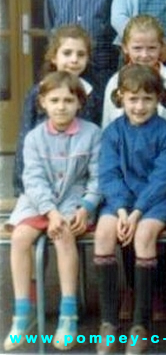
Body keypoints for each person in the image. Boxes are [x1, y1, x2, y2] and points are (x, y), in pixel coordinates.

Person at [4, 72, 101, 351]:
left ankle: (67, 313)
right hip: (38, 200)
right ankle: (22, 315)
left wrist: (87, 205)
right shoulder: (35, 137)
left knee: (64, 235)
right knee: (21, 237)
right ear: (43, 103)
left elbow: (97, 178)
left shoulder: (92, 133)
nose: (61, 106)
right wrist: (49, 211)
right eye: (54, 100)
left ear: (79, 103)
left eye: (68, 100)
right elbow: (32, 179)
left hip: (74, 199)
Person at [93, 64, 166, 354]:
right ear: (120, 98)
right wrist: (119, 210)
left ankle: (140, 325)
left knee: (143, 237)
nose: (139, 106)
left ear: (158, 99)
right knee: (104, 234)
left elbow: (162, 178)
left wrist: (137, 212)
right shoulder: (113, 132)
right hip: (120, 202)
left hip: (155, 202)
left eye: (147, 99)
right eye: (133, 99)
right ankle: (108, 322)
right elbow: (108, 174)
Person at [14, 25, 102, 196]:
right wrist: (21, 187)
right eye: (67, 53)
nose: (74, 60)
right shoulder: (38, 93)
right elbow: (25, 136)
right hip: (42, 178)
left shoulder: (92, 94)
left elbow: (95, 144)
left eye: (81, 54)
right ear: (54, 57)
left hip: (76, 181)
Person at [102, 15, 166, 129]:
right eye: (137, 48)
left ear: (161, 47)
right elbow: (107, 127)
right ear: (125, 47)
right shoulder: (115, 82)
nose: (144, 55)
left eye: (152, 48)